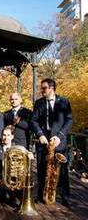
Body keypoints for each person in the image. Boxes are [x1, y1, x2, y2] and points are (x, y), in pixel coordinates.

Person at [31, 78, 73, 206]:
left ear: (51, 88)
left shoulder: (64, 102)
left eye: (44, 88)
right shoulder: (38, 103)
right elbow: (34, 121)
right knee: (41, 168)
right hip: (43, 141)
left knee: (62, 171)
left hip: (59, 141)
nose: (41, 90)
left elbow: (69, 120)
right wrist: (40, 135)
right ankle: (40, 195)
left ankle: (65, 197)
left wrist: (59, 136)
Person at [0, 125, 21, 205]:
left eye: (8, 135)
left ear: (12, 136)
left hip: (13, 182)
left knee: (15, 201)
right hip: (0, 180)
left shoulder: (17, 150)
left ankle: (10, 196)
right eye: (4, 135)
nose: (6, 137)